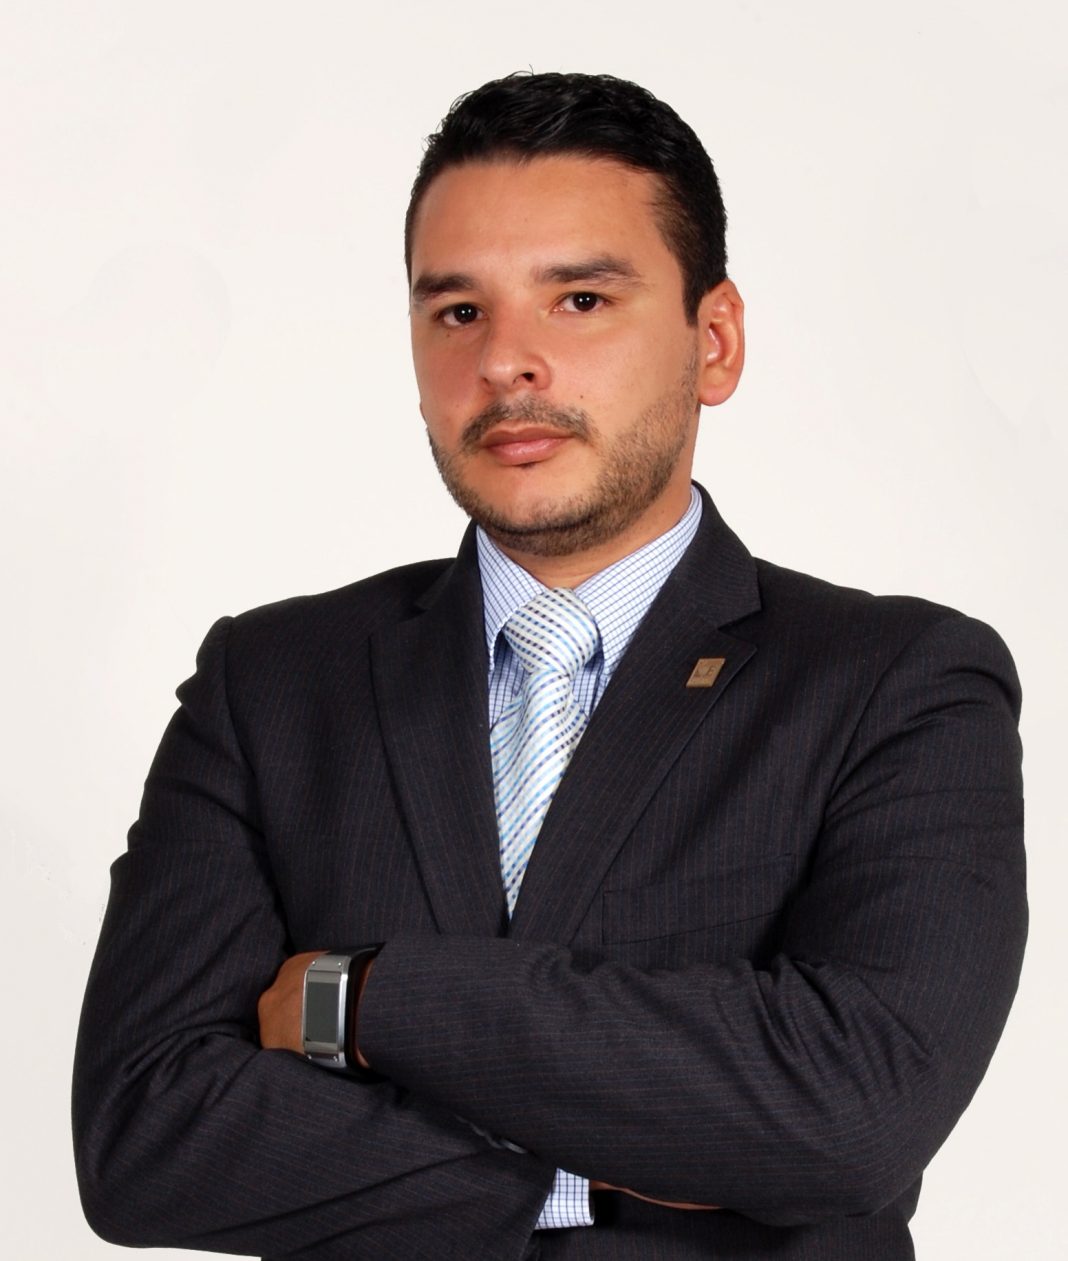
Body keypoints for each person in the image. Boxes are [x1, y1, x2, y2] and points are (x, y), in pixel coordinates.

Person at [73, 72, 1026, 1260]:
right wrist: (611, 1168)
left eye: (579, 299)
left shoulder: (901, 684)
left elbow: (851, 1116)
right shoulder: (268, 684)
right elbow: (143, 1137)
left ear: (714, 340)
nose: (507, 361)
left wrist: (363, 998)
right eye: (457, 311)